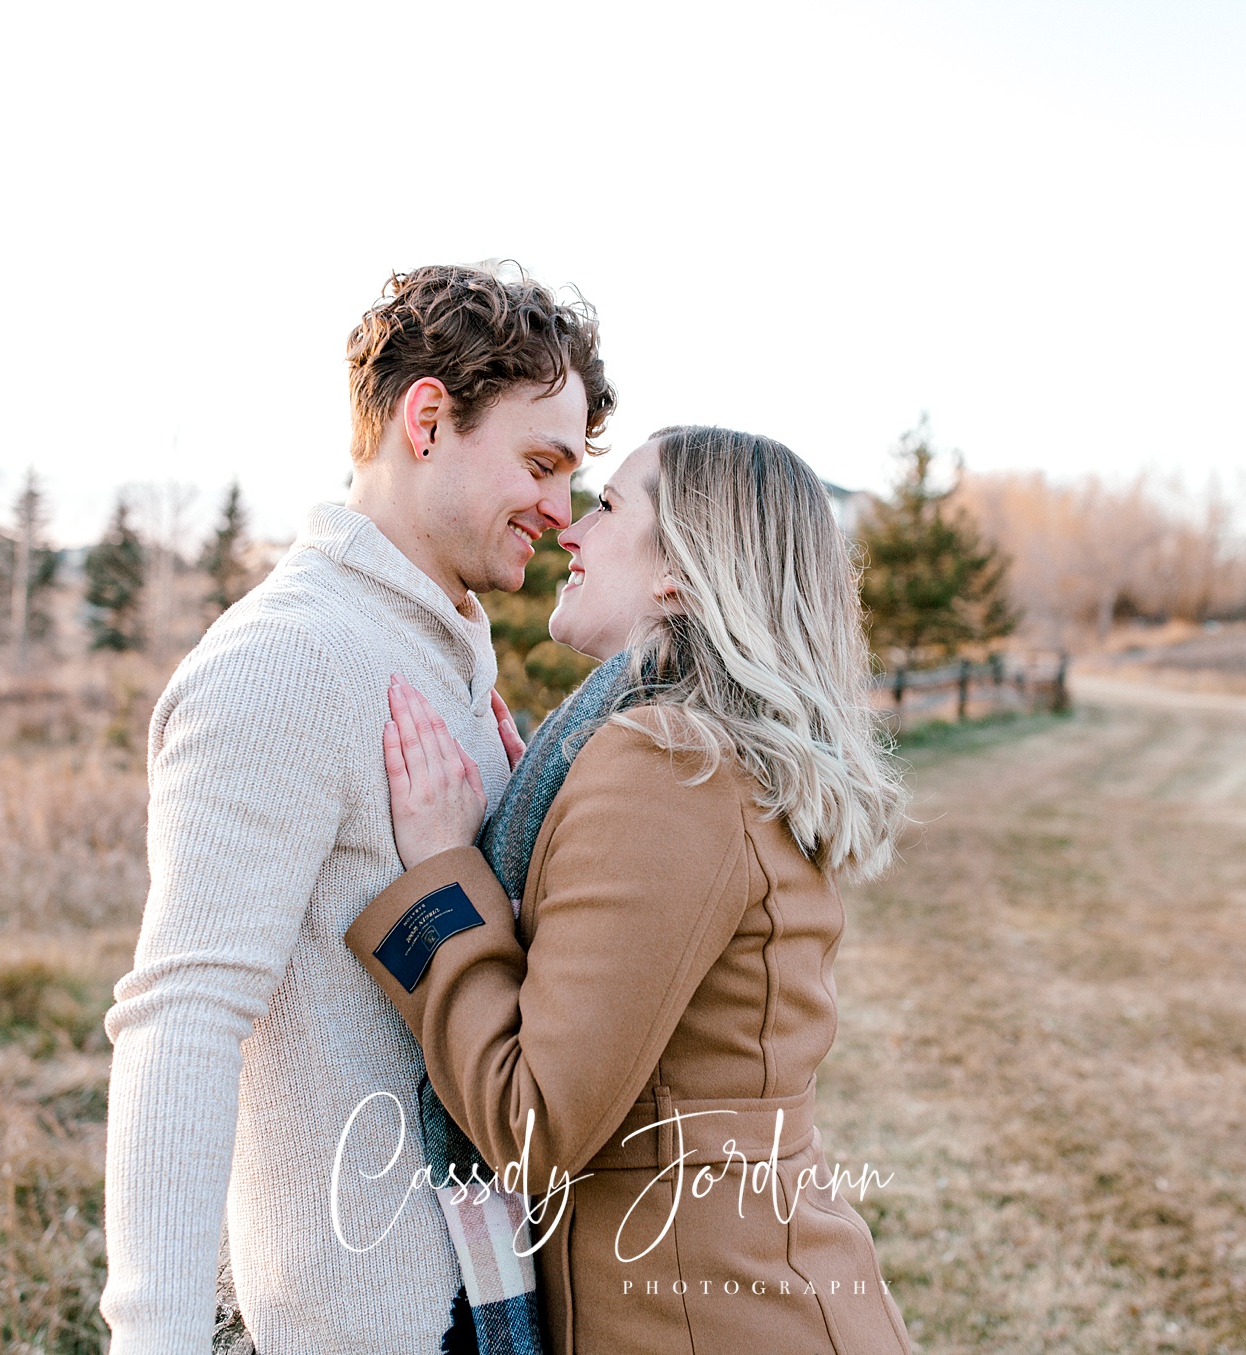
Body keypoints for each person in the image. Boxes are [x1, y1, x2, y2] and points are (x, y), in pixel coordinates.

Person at [101, 263, 614, 1355]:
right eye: (539, 462)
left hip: (489, 1289)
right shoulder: (286, 661)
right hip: (374, 1316)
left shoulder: (440, 647)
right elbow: (182, 1019)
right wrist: (154, 1338)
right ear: (427, 418)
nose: (561, 510)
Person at [345, 426, 913, 1354]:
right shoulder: (701, 756)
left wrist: (444, 872)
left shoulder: (665, 765)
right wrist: (556, 841)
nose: (569, 527)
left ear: (680, 571)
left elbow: (532, 1128)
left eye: (608, 506)